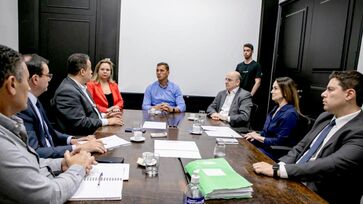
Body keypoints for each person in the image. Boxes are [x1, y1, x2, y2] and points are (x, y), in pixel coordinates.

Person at [0, 44, 95, 203]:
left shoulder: (11, 123)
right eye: (25, 79)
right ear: (11, 85)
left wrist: (63, 163)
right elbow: (47, 196)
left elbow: (31, 161)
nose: (28, 86)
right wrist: (77, 168)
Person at [252, 71, 363, 203]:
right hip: (293, 179)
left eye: (330, 89)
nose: (323, 94)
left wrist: (279, 170)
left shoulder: (360, 129)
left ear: (349, 94)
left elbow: (332, 164)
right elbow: (300, 147)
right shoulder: (325, 117)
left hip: (318, 194)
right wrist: (279, 165)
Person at [17, 54, 106, 158]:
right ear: (35, 79)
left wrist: (72, 140)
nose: (50, 79)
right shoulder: (24, 107)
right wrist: (76, 148)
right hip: (49, 163)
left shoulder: (34, 101)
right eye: (48, 75)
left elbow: (48, 131)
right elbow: (35, 152)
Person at [52, 53, 123, 136]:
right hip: (82, 138)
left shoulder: (80, 86)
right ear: (82, 72)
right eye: (90, 69)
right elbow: (80, 122)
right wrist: (108, 121)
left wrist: (104, 115)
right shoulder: (67, 91)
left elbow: (89, 113)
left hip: (92, 132)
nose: (92, 72)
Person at [245, 77, 299, 160]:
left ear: (285, 92)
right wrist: (255, 135)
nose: (271, 91)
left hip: (274, 152)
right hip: (265, 146)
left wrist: (257, 137)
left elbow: (279, 141)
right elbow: (266, 132)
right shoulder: (275, 108)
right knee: (243, 143)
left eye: (275, 88)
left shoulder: (290, 114)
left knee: (248, 153)